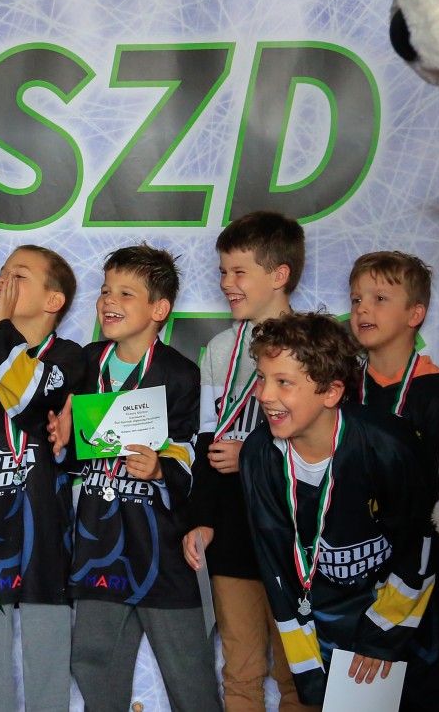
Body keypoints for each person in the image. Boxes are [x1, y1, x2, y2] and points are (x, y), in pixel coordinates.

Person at [51, 243, 221, 712]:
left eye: (126, 293)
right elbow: (70, 451)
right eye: (106, 290)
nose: (109, 300)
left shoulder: (180, 374)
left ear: (159, 310)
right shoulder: (83, 363)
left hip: (161, 547)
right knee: (92, 663)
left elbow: (190, 451)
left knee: (190, 675)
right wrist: (61, 442)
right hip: (98, 541)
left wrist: (161, 468)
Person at [241, 312, 436, 706]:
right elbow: (275, 564)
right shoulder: (259, 455)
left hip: (397, 623)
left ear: (331, 392)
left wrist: (383, 636)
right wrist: (307, 664)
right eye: (261, 378)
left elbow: (421, 546)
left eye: (283, 382)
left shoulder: (389, 445)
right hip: (323, 623)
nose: (264, 394)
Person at [181, 211, 314, 712]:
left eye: (239, 272)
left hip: (295, 535)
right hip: (233, 530)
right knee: (239, 672)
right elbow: (206, 443)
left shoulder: (316, 345)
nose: (226, 283)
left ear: (279, 274)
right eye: (222, 271)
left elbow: (330, 446)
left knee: (298, 675)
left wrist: (254, 455)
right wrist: (202, 518)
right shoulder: (221, 349)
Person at [0, 245, 86, 712]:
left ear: (53, 301)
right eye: (1, 274)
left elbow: (32, 400)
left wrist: (0, 330)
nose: (3, 283)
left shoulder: (72, 359)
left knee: (48, 670)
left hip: (48, 539)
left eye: (19, 276)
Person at [348, 250, 439, 710]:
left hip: (420, 579)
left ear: (416, 314)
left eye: (379, 298)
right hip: (352, 573)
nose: (363, 309)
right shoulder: (340, 389)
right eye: (356, 299)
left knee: (416, 694)